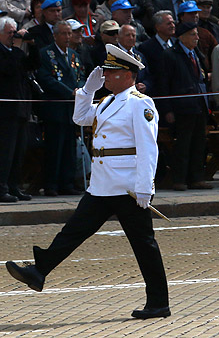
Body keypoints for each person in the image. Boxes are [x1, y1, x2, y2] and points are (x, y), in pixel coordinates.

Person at [6, 45, 169, 319]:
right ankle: (39, 271)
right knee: (73, 231)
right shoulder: (106, 101)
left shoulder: (140, 103)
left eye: (111, 72)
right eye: (105, 71)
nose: (105, 76)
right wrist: (87, 91)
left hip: (128, 187)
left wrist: (145, 186)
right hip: (103, 185)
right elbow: (79, 117)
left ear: (128, 75)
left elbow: (147, 148)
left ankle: (158, 302)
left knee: (144, 245)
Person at [156, 22, 211, 191]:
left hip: (198, 104)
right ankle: (179, 178)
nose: (197, 38)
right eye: (193, 34)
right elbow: (164, 83)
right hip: (181, 107)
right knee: (183, 145)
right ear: (182, 37)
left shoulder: (196, 54)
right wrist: (167, 109)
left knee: (199, 143)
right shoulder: (170, 55)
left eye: (197, 34)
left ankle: (196, 177)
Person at [36, 20, 86, 195]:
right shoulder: (46, 54)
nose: (67, 37)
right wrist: (69, 92)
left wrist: (80, 90)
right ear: (55, 35)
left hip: (72, 109)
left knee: (69, 148)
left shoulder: (74, 55)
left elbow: (81, 75)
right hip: (55, 108)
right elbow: (46, 79)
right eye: (63, 34)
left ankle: (68, 182)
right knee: (54, 148)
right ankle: (51, 184)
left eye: (69, 33)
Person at [0, 16, 32, 202]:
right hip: (5, 112)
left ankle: (14, 186)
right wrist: (17, 47)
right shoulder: (4, 53)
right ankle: (2, 187)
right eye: (9, 33)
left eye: (14, 32)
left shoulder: (16, 53)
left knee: (19, 151)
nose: (13, 36)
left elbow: (32, 65)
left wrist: (32, 45)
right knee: (5, 152)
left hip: (21, 108)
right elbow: (8, 69)